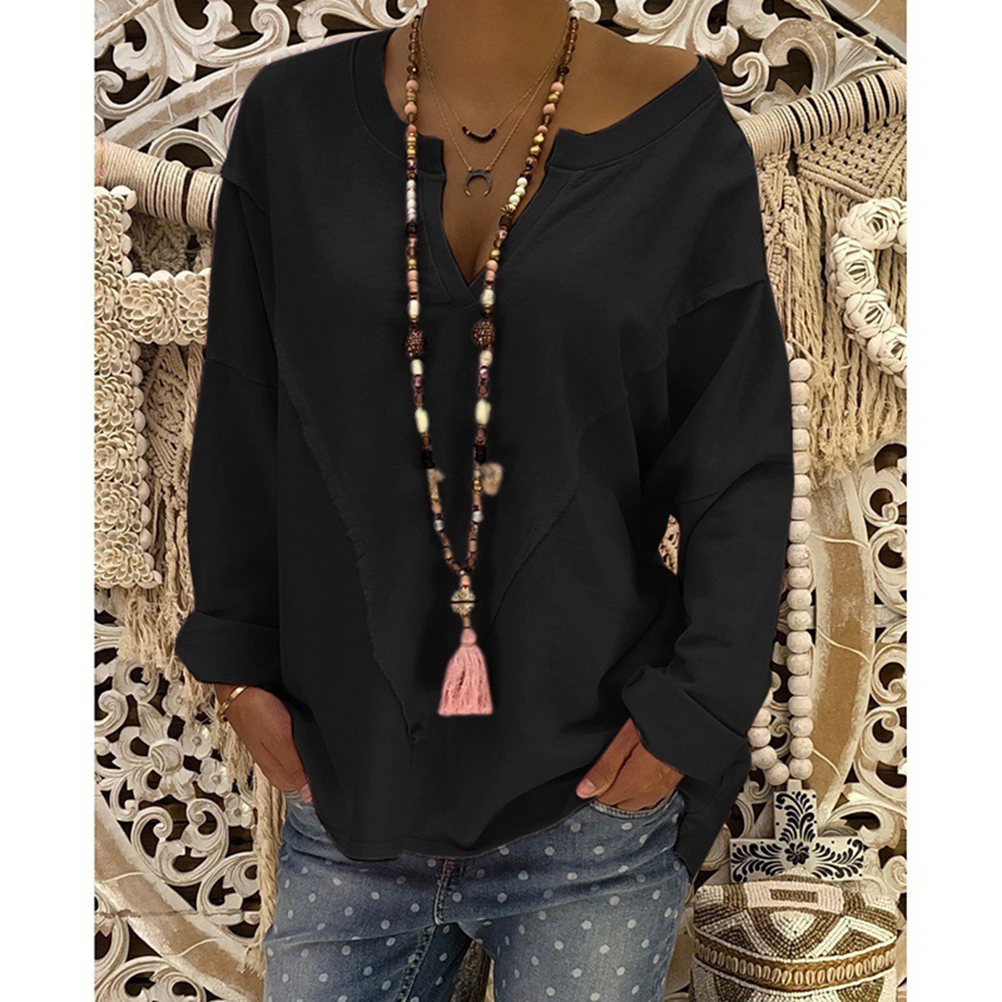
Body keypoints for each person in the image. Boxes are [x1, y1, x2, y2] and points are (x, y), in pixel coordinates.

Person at [175, 1, 794, 998]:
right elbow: (244, 409)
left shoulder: (679, 133)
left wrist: (697, 711)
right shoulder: (292, 121)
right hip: (352, 791)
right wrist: (237, 666)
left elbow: (738, 452)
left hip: (590, 806)